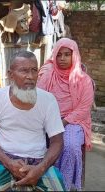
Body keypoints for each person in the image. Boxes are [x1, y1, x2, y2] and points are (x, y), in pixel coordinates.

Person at [0, 51, 66, 191]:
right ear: (10, 74)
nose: (30, 76)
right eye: (24, 71)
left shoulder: (48, 100)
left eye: (34, 70)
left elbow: (57, 141)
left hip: (39, 162)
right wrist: (9, 163)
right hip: (3, 160)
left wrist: (40, 169)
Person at [37, 38, 94, 191]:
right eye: (59, 55)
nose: (62, 59)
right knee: (35, 144)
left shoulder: (84, 80)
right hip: (48, 119)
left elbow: (83, 109)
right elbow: (39, 98)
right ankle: (43, 183)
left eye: (67, 54)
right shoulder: (48, 75)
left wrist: (62, 123)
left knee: (70, 146)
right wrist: (49, 122)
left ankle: (63, 186)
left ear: (74, 56)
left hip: (73, 121)